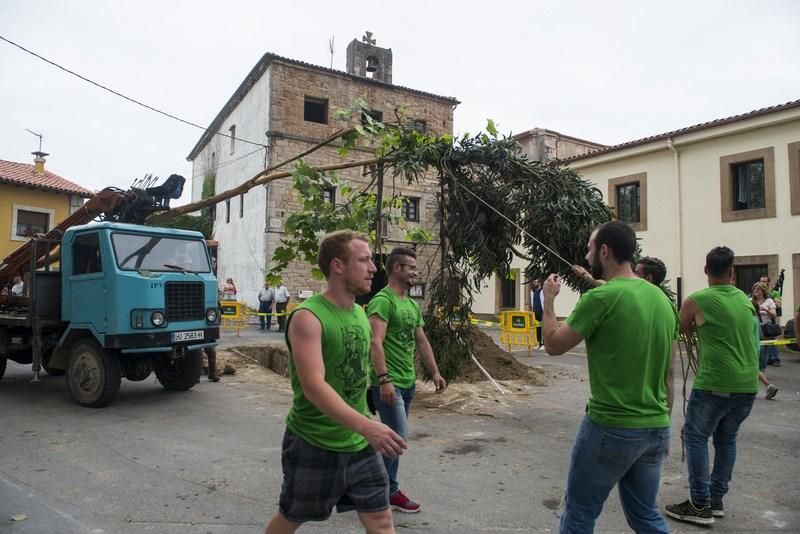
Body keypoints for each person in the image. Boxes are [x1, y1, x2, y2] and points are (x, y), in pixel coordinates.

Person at [264, 230, 405, 534]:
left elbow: (357, 371)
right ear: (338, 265)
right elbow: (314, 386)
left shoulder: (359, 314)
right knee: (291, 518)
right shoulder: (308, 317)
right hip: (314, 441)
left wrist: (382, 385)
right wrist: (368, 426)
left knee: (381, 521)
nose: (374, 268)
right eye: (365, 260)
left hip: (358, 443)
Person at [543, 221, 677, 534]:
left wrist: (548, 300)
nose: (588, 253)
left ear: (605, 251)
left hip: (611, 428)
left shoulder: (599, 300)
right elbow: (670, 376)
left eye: (591, 247)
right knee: (646, 517)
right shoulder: (661, 301)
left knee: (578, 515)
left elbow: (552, 345)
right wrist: (665, 427)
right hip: (655, 427)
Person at [665, 247, 760, 525]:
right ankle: (716, 499)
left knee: (694, 437)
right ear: (732, 273)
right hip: (747, 384)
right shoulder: (744, 300)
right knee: (726, 439)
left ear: (706, 270)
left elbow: (677, 330)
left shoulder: (696, 300)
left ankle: (699, 504)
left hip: (715, 383)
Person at [368, 247, 446, 513]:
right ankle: (370, 487)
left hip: (408, 382)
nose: (416, 271)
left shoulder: (412, 304)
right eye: (411, 267)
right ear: (397, 269)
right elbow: (375, 342)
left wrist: (434, 372)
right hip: (388, 384)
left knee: (394, 440)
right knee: (397, 439)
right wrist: (383, 379)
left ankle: (386, 490)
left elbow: (421, 341)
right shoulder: (383, 301)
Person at [756, 277, 781, 366]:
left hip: (768, 323)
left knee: (771, 341)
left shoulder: (774, 292)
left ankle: (775, 359)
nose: (762, 282)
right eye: (761, 281)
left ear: (768, 283)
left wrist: (768, 307)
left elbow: (778, 304)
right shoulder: (753, 299)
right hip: (756, 325)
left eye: (764, 281)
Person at [529, 279, 544, 349]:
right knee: (537, 328)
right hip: (535, 312)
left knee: (542, 328)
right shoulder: (532, 291)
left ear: (539, 283)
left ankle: (543, 344)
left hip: (542, 312)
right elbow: (532, 302)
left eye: (535, 282)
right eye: (533, 282)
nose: (534, 283)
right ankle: (538, 343)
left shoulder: (543, 291)